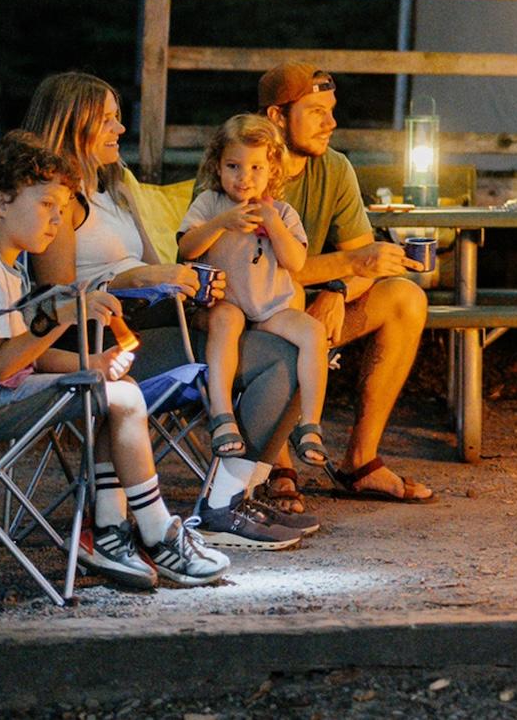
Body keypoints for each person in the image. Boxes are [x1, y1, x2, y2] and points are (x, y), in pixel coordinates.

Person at [0, 131, 230, 590]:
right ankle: (155, 531)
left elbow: (26, 360)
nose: (56, 220)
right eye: (46, 205)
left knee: (109, 393)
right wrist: (62, 317)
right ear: (0, 203)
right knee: (121, 399)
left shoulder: (7, 263)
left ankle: (110, 532)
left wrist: (91, 364)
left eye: (62, 210)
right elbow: (0, 366)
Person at [26, 71, 315, 549]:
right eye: (108, 121)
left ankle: (230, 495)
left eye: (119, 120)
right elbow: (56, 297)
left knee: (304, 348)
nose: (121, 130)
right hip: (101, 341)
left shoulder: (114, 189)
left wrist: (187, 281)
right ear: (73, 124)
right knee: (282, 358)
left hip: (156, 318)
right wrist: (137, 279)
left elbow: (156, 262)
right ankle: (224, 504)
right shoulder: (56, 200)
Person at [260, 63, 435, 503]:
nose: (331, 122)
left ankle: (360, 460)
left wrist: (337, 290)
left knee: (404, 297)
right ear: (277, 117)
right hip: (251, 318)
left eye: (331, 110)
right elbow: (256, 276)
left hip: (314, 309)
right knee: (287, 299)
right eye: (316, 111)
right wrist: (347, 266)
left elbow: (367, 265)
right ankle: (274, 466)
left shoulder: (335, 169)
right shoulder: (245, 166)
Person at [178, 114, 330, 470]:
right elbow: (187, 248)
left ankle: (309, 424)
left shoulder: (282, 212)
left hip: (269, 309)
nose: (244, 177)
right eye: (233, 166)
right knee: (227, 320)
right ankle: (222, 415)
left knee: (313, 332)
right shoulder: (210, 204)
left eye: (255, 168)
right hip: (223, 304)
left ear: (272, 169)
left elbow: (296, 261)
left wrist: (274, 223)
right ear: (218, 165)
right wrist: (221, 224)